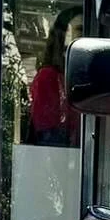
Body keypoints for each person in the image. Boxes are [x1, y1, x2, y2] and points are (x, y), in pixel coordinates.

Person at [29, 10, 82, 146]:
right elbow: (49, 138)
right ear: (62, 37)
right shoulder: (48, 78)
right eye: (80, 31)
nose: (84, 38)